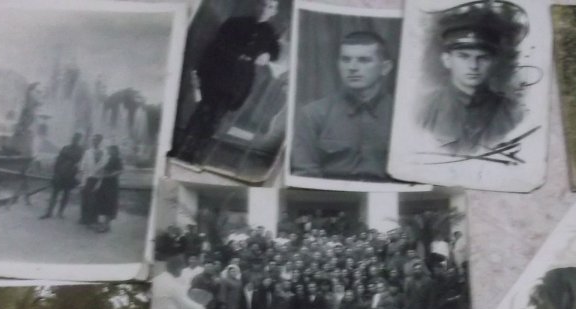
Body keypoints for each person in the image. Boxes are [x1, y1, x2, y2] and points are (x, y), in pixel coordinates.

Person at [171, 0, 282, 164]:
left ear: (274, 12)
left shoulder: (270, 33)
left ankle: (195, 153)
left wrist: (267, 55)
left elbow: (276, 54)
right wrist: (203, 72)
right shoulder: (235, 23)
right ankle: (181, 148)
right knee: (202, 112)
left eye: (270, 7)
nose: (265, 9)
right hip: (218, 74)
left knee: (216, 118)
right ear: (256, 5)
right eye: (262, 4)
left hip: (238, 81)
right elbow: (215, 46)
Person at [292, 31, 395, 180]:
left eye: (364, 60)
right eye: (345, 60)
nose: (352, 67)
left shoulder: (402, 117)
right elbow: (305, 175)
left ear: (385, 68)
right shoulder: (313, 115)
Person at [419, 9, 524, 153]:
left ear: (493, 62)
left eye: (482, 57)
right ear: (447, 60)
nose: (473, 66)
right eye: (464, 56)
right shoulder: (425, 110)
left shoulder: (513, 113)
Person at [41, 132, 83, 219]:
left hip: (70, 174)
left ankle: (60, 212)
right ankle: (49, 212)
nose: (74, 140)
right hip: (60, 172)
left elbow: (77, 158)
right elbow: (59, 159)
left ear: (78, 140)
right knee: (55, 193)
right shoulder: (66, 147)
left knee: (66, 194)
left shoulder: (79, 150)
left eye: (76, 139)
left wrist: (66, 156)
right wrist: (55, 171)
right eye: (73, 138)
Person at [76, 134, 107, 226]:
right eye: (94, 140)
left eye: (97, 140)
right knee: (85, 198)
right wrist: (82, 180)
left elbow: (104, 167)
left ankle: (93, 219)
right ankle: (84, 218)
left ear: (101, 141)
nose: (95, 142)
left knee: (96, 199)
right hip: (87, 178)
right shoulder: (88, 152)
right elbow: (82, 166)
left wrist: (101, 178)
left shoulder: (104, 153)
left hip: (98, 179)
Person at [93, 144, 122, 233]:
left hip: (112, 184)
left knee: (110, 203)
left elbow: (119, 171)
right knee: (103, 202)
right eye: (109, 150)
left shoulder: (117, 159)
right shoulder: (110, 159)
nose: (109, 151)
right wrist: (100, 170)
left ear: (115, 151)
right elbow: (104, 168)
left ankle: (106, 225)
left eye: (111, 150)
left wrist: (110, 175)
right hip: (105, 183)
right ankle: (104, 224)